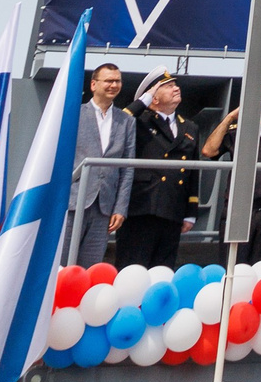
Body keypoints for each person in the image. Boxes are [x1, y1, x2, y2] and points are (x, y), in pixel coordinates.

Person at [200, 78, 261, 261]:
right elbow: (209, 150)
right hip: (239, 210)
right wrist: (230, 117)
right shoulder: (237, 129)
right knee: (233, 267)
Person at [112, 71, 198, 268]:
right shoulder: (138, 121)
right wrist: (144, 100)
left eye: (176, 84)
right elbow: (119, 122)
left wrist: (191, 211)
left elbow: (193, 172)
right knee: (133, 268)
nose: (176, 88)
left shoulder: (190, 128)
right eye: (168, 86)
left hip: (173, 209)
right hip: (142, 207)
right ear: (154, 98)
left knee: (162, 270)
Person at [71, 62, 134, 266]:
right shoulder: (74, 114)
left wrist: (120, 208)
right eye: (108, 81)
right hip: (72, 203)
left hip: (104, 207)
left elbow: (127, 167)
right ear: (93, 85)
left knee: (89, 267)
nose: (113, 85)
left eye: (117, 81)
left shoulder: (126, 121)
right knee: (62, 264)